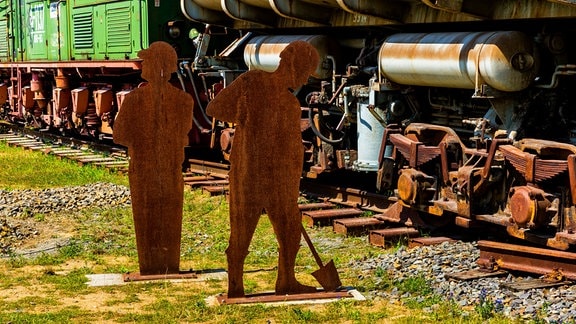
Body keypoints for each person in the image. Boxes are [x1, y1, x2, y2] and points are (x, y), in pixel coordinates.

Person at [206, 41, 320, 297]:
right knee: (241, 232)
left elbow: (292, 150)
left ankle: (286, 280)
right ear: (290, 65)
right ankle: (235, 285)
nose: (303, 79)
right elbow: (214, 108)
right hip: (249, 172)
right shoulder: (252, 82)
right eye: (303, 72)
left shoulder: (291, 105)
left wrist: (292, 186)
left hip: (280, 179)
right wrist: (240, 112)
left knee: (291, 230)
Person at [114, 42, 194, 275]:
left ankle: (151, 265)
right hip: (171, 166)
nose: (142, 66)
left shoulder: (134, 99)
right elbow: (184, 131)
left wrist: (142, 140)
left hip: (142, 166)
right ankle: (168, 263)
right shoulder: (184, 100)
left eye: (147, 61)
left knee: (146, 215)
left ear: (159, 66)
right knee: (170, 214)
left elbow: (119, 134)